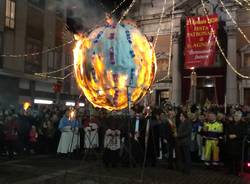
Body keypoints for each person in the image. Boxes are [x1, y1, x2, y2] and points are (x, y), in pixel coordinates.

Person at [225, 111, 246, 175]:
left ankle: (237, 171)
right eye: (235, 115)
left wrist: (236, 135)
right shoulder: (230, 123)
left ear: (240, 117)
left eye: (237, 116)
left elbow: (245, 133)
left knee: (237, 158)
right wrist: (228, 135)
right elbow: (227, 130)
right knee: (230, 157)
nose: (236, 117)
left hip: (238, 143)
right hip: (230, 142)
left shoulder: (244, 124)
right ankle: (230, 170)